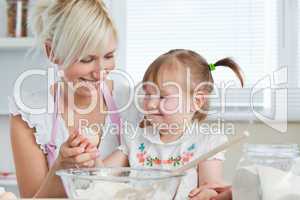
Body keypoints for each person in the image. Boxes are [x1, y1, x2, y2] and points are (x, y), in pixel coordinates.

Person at [9, 0, 138, 198]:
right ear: (52, 52)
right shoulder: (30, 115)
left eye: (109, 56)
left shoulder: (133, 102)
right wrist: (61, 168)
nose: (100, 72)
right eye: (87, 59)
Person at [94, 49, 244, 200]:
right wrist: (91, 156)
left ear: (196, 101)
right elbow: (101, 177)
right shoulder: (135, 139)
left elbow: (212, 188)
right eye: (148, 94)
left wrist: (208, 194)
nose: (151, 104)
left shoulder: (206, 143)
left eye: (162, 96)